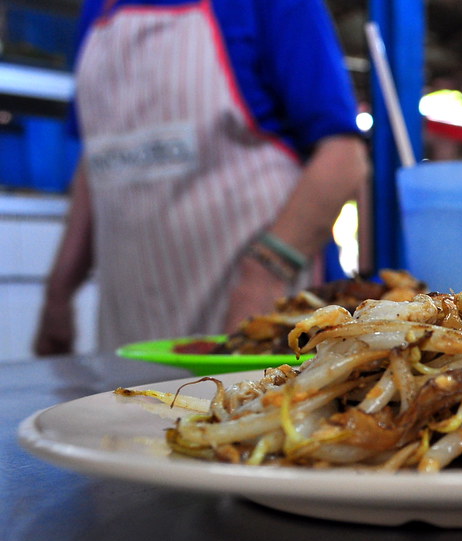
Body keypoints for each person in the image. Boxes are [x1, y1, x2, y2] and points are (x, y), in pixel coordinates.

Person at [33, 0, 368, 355]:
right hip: (128, 325)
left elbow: (343, 159)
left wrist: (265, 275)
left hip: (249, 313)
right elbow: (100, 157)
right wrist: (58, 293)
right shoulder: (99, 12)